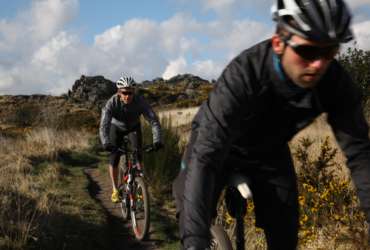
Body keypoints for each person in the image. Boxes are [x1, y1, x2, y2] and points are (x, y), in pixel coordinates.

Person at [173, 0, 370, 249]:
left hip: (269, 151)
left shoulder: (335, 82)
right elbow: (205, 156)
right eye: (308, 51)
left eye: (330, 51)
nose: (319, 64)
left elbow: (360, 156)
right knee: (191, 216)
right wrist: (194, 241)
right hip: (217, 146)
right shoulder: (243, 75)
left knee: (285, 235)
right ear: (279, 43)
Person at [100, 75, 163, 203]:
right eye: (124, 93)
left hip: (133, 127)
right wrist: (105, 142)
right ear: (119, 93)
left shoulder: (140, 102)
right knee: (114, 156)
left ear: (134, 92)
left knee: (138, 155)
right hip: (116, 127)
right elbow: (104, 124)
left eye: (130, 93)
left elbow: (153, 121)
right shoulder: (112, 103)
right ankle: (115, 189)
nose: (127, 96)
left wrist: (157, 140)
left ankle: (140, 188)